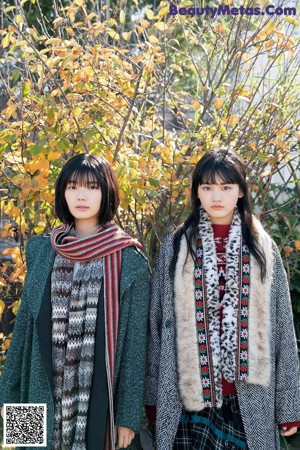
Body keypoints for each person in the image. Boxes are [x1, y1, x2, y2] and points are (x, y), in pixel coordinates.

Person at [145, 148, 300, 450]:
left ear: (240, 191)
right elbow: (155, 324)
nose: (216, 196)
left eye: (226, 187)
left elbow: (282, 329)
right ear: (197, 192)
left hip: (248, 399)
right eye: (207, 187)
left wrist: (289, 404)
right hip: (187, 400)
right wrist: (153, 395)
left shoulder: (262, 249)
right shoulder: (176, 247)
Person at [0, 153, 149, 450]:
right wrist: (9, 396)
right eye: (72, 187)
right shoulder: (43, 250)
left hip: (99, 400)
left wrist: (128, 417)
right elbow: (26, 334)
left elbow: (135, 347)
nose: (81, 195)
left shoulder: (129, 261)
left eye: (92, 187)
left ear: (107, 192)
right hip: (39, 387)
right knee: (29, 448)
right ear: (62, 193)